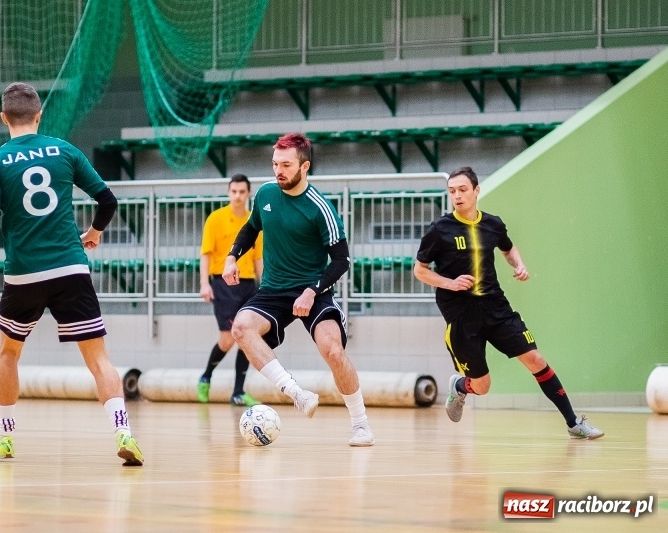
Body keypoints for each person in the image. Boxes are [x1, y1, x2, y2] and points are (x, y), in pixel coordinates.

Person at [0, 82, 144, 466]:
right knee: (98, 358)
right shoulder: (64, 150)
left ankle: (5, 437)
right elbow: (108, 200)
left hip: (24, 274)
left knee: (9, 352)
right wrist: (93, 233)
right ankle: (123, 431)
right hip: (71, 268)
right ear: (39, 115)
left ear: (3, 118)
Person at [413, 166, 604, 440]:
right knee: (483, 386)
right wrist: (450, 283)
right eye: (452, 191)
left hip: (496, 307)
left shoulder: (492, 224)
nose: (457, 196)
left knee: (535, 358)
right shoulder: (440, 229)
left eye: (463, 190)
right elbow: (420, 270)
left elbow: (508, 247)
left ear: (477, 191)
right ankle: (461, 386)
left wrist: (519, 264)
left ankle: (574, 422)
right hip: (462, 316)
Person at [222, 132, 375, 447]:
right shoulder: (266, 194)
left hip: (313, 290)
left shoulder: (320, 208)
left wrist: (312, 290)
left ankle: (361, 424)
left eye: (286, 165)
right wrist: (232, 257)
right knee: (240, 327)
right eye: (275, 163)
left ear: (304, 167)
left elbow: (342, 260)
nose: (279, 170)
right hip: (273, 290)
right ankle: (296, 393)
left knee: (333, 349)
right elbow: (251, 228)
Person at [198, 174, 264, 407]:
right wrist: (204, 283)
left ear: (248, 194)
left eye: (242, 192)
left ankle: (238, 392)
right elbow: (205, 253)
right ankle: (206, 376)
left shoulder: (254, 222)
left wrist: (264, 286)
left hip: (248, 284)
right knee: (227, 339)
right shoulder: (216, 219)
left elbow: (258, 258)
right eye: (233, 191)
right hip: (224, 284)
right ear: (229, 193)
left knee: (248, 337)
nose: (237, 196)